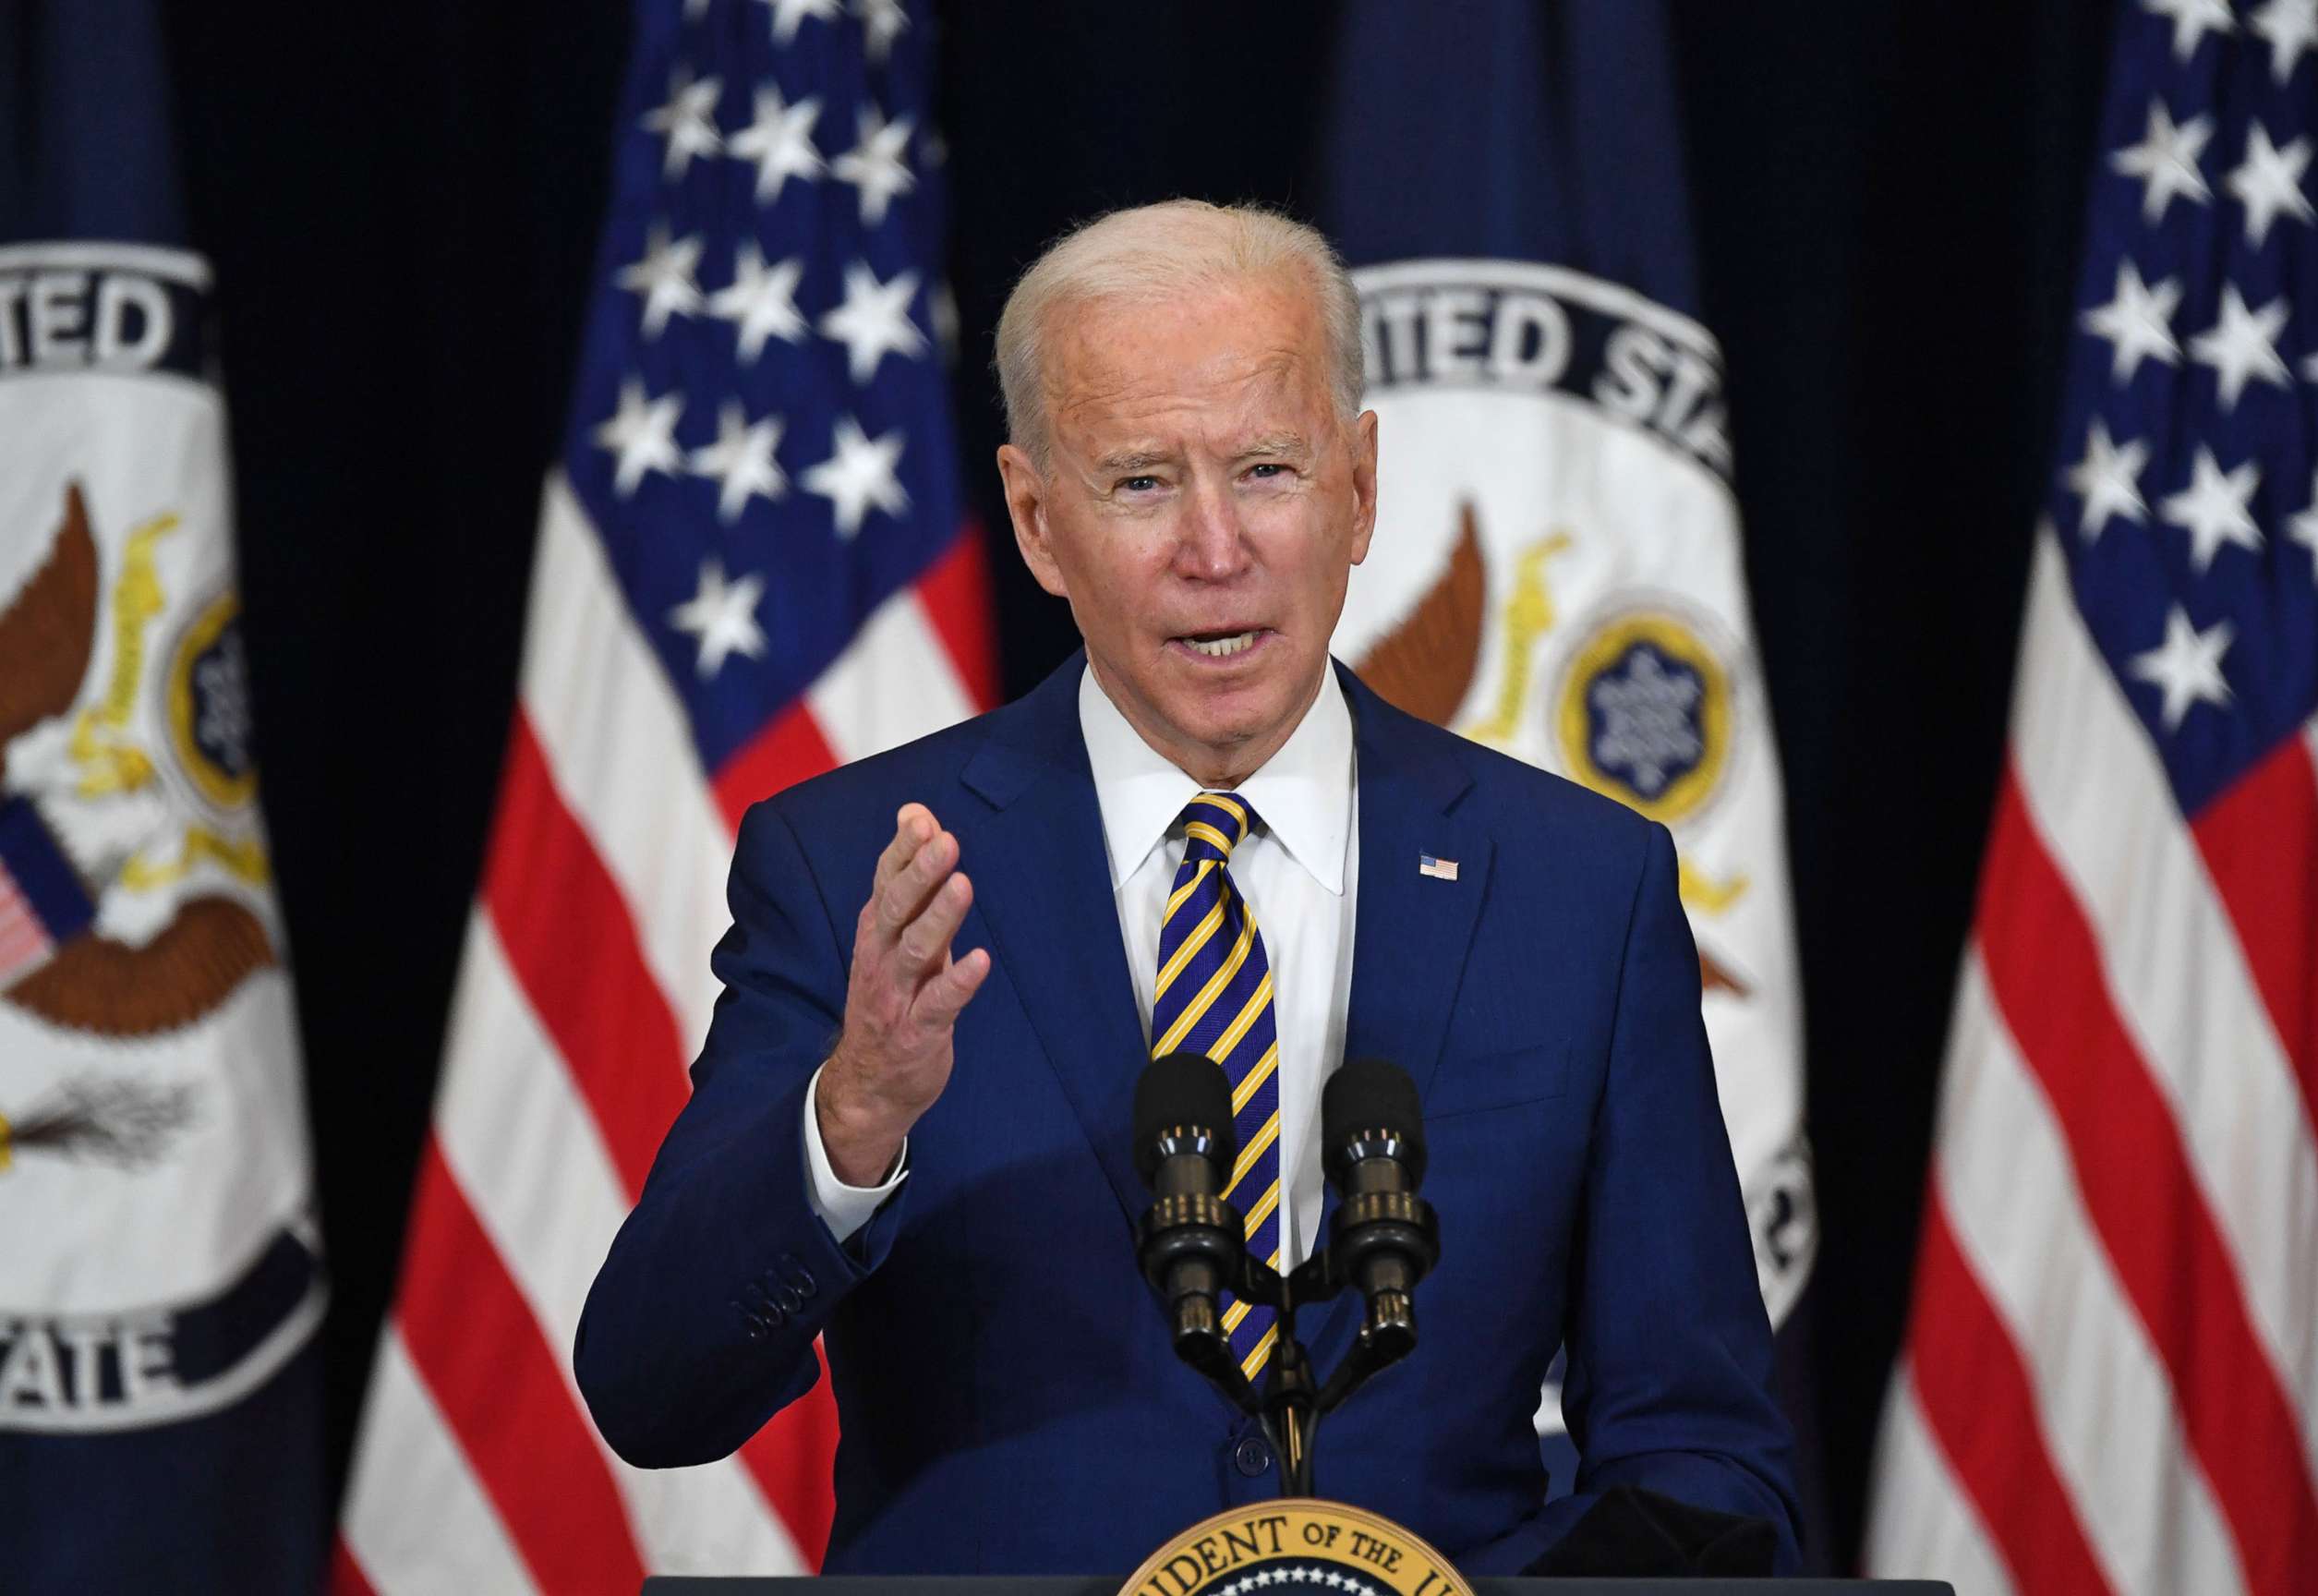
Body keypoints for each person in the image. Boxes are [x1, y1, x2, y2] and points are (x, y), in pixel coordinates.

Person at [575, 199, 1799, 1575]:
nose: (1216, 549)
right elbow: (652, 1392)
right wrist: (849, 1123)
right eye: (1143, 483)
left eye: (1268, 469)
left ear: (1362, 485)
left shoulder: (1579, 886)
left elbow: (1706, 1456)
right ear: (1040, 523)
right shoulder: (857, 869)